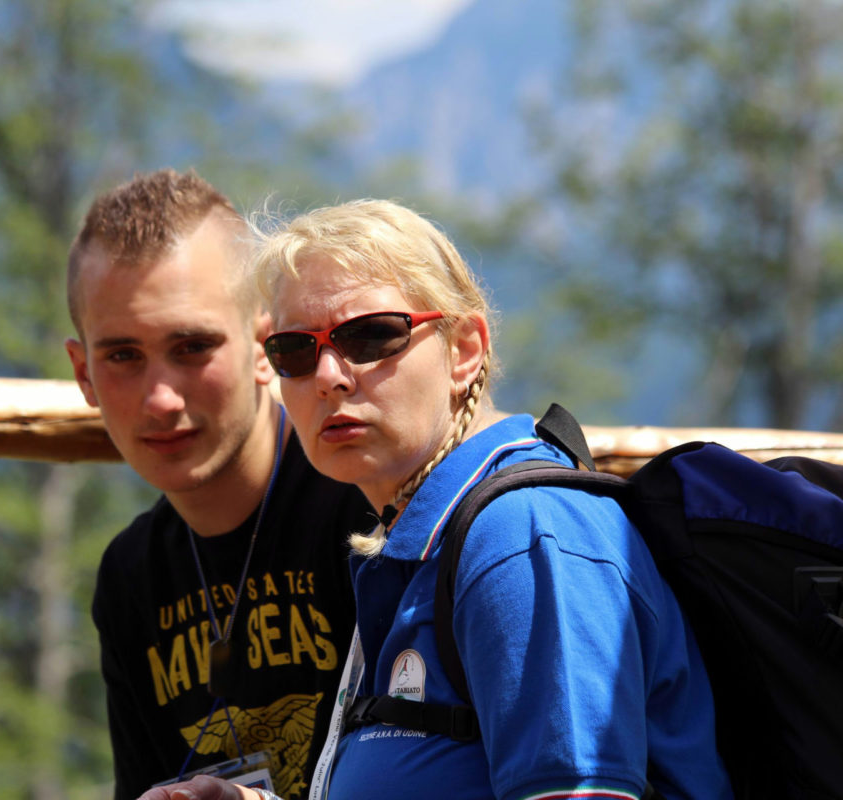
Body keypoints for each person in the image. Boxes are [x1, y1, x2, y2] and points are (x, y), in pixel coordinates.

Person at [140, 199, 731, 800]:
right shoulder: (423, 538)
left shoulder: (523, 538)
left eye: (371, 335)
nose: (329, 376)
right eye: (294, 349)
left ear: (464, 350)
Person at [65, 170, 371, 800]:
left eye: (193, 346)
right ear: (83, 374)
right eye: (122, 356)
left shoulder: (367, 508)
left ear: (264, 346)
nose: (160, 398)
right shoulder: (130, 575)